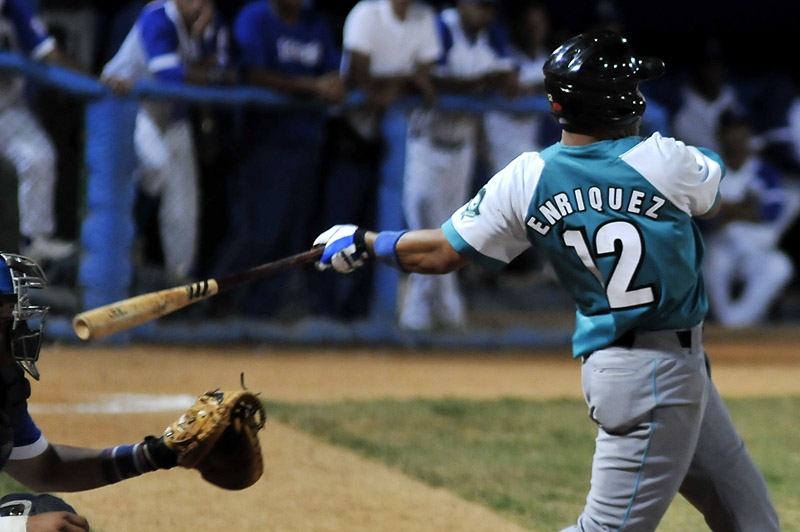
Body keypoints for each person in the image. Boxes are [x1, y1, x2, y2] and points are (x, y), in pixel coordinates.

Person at [312, 30, 781, 532]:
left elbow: (441, 252)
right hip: (654, 376)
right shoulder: (663, 160)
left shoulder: (528, 177)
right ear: (620, 103)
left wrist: (367, 241)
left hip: (639, 369)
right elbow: (711, 191)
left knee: (750, 518)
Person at [0, 252, 185, 531]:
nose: (20, 332)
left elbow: (47, 469)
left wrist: (156, 454)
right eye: (8, 320)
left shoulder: (4, 387)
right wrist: (20, 527)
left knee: (45, 512)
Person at [208, 0, 345, 318]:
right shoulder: (255, 17)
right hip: (265, 145)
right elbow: (252, 73)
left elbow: (333, 71)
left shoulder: (315, 23)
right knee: (257, 234)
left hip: (307, 144)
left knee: (291, 239)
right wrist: (311, 87)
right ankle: (211, 305)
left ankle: (260, 316)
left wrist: (334, 85)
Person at [310, 0, 442, 321]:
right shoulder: (366, 13)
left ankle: (359, 315)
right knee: (335, 228)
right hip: (348, 137)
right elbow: (360, 79)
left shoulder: (424, 18)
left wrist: (395, 88)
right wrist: (405, 82)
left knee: (375, 235)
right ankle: (321, 313)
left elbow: (426, 79)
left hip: (386, 146)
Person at [398, 0, 517, 331]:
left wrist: (493, 80)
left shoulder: (492, 36)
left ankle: (427, 316)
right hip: (426, 143)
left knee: (454, 235)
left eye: (489, 8)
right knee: (423, 229)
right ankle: (436, 314)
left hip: (462, 147)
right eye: (478, 5)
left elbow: (510, 78)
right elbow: (429, 79)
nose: (483, 12)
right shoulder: (441, 27)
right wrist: (482, 82)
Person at [101, 0, 238, 282]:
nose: (197, 4)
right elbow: (166, 73)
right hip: (127, 105)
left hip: (172, 113)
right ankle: (131, 239)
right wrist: (207, 72)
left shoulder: (210, 25)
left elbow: (227, 71)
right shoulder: (158, 14)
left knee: (184, 208)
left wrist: (203, 44)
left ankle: (181, 281)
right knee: (156, 166)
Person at [0, 0, 86, 264]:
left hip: (7, 109)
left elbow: (49, 53)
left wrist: (95, 80)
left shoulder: (15, 8)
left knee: (39, 158)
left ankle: (33, 241)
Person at [702, 111, 795, 327]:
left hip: (756, 248)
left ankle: (734, 324)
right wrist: (746, 207)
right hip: (720, 246)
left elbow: (771, 211)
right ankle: (728, 323)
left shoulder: (764, 171)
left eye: (741, 130)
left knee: (779, 265)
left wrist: (725, 208)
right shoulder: (708, 169)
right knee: (712, 263)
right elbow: (703, 217)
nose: (737, 136)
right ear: (720, 134)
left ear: (749, 134)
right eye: (731, 130)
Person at [671, 37, 743, 153]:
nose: (712, 69)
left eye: (717, 62)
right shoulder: (677, 106)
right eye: (707, 63)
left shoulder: (738, 103)